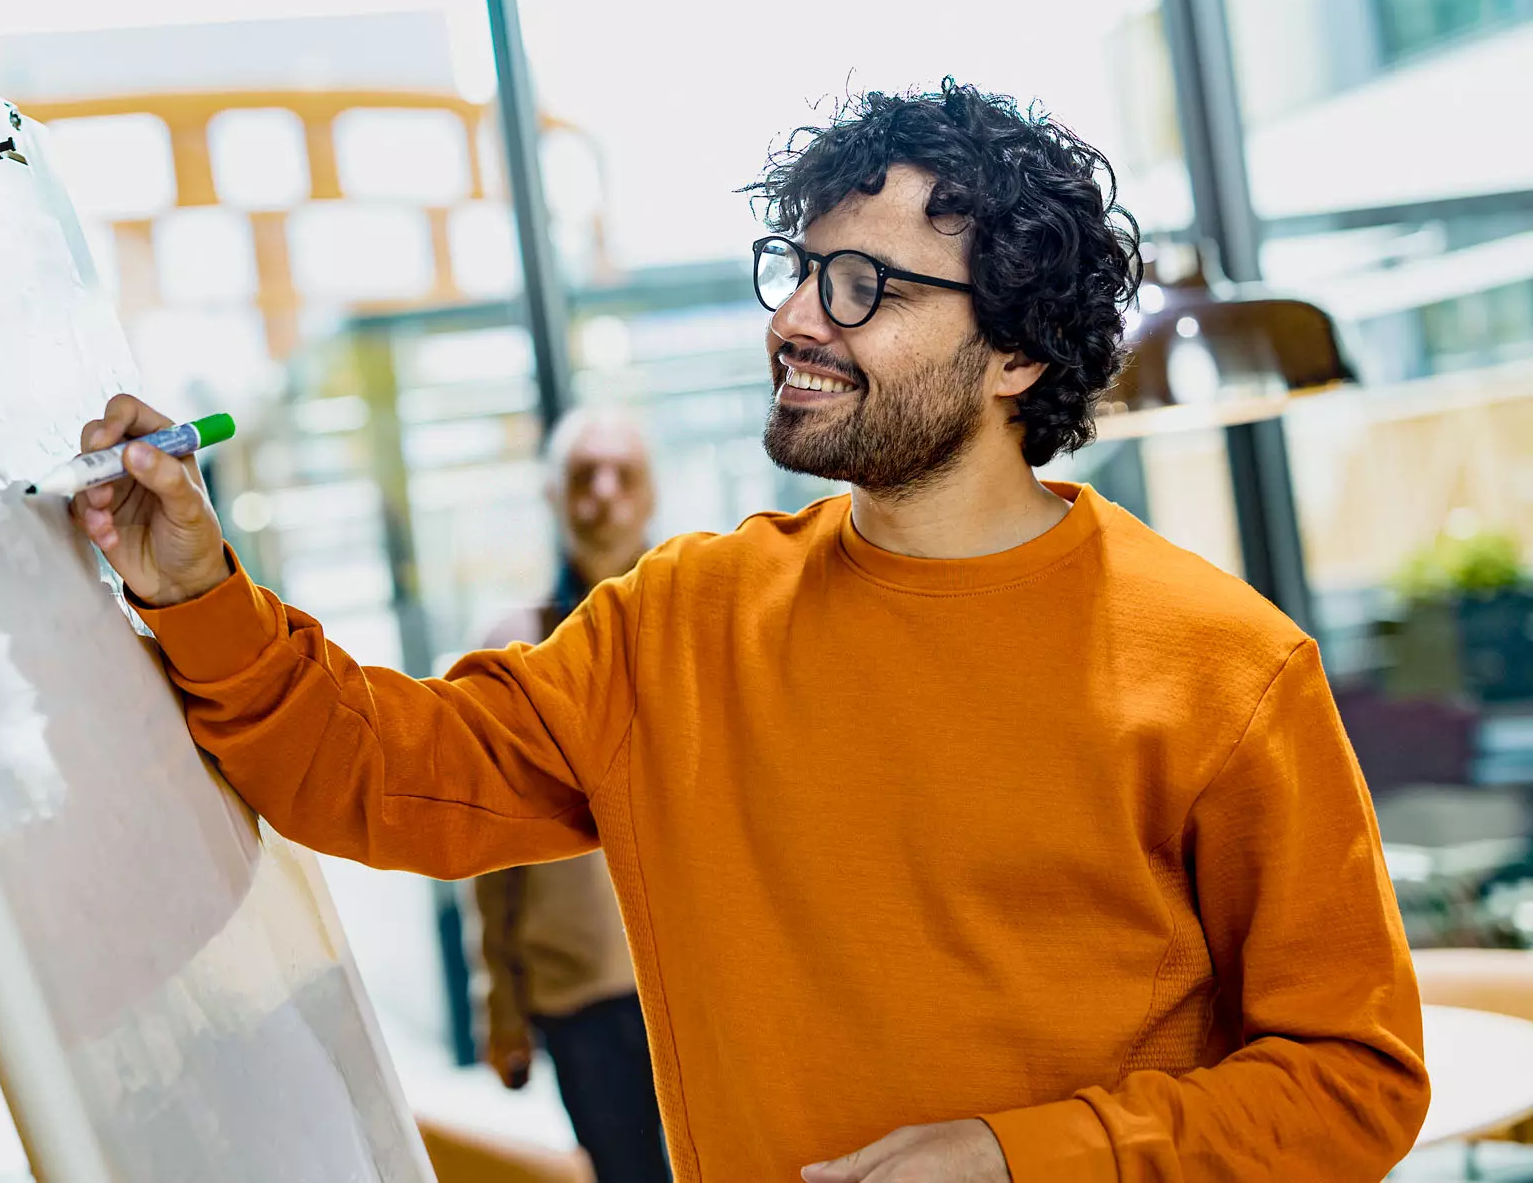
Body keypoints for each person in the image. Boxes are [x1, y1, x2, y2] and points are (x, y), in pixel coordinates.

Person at [71, 79, 1429, 1182]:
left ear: (1014, 354)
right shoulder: (683, 618)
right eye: (798, 269)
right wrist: (194, 588)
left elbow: (1349, 1082)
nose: (794, 319)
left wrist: (1020, 1160)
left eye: (863, 287)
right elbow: (378, 771)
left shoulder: (1225, 665)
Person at [470, 407, 672, 1183]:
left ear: (652, 494)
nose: (606, 494)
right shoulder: (513, 651)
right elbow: (488, 845)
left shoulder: (705, 619)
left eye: (625, 474)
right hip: (577, 993)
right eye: (585, 476)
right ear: (554, 496)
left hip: (699, 975)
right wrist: (501, 1002)